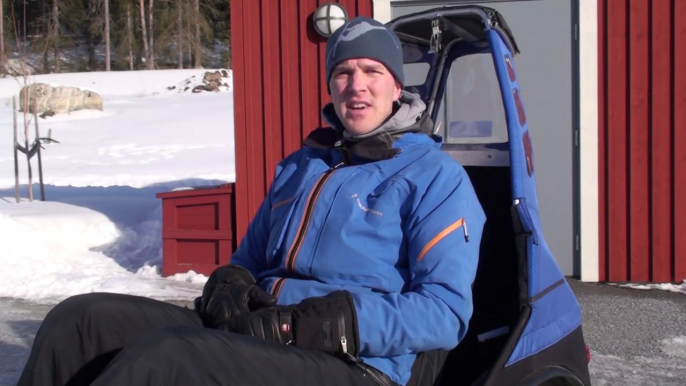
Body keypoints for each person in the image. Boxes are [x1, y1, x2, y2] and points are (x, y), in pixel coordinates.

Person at [17, 16, 485, 386]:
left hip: (356, 361)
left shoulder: (434, 178)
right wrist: (231, 281)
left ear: (395, 86)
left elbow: (444, 313)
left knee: (169, 360)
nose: (356, 85)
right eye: (343, 71)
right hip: (264, 329)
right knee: (80, 321)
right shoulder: (303, 166)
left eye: (371, 71)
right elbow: (250, 258)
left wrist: (324, 326)